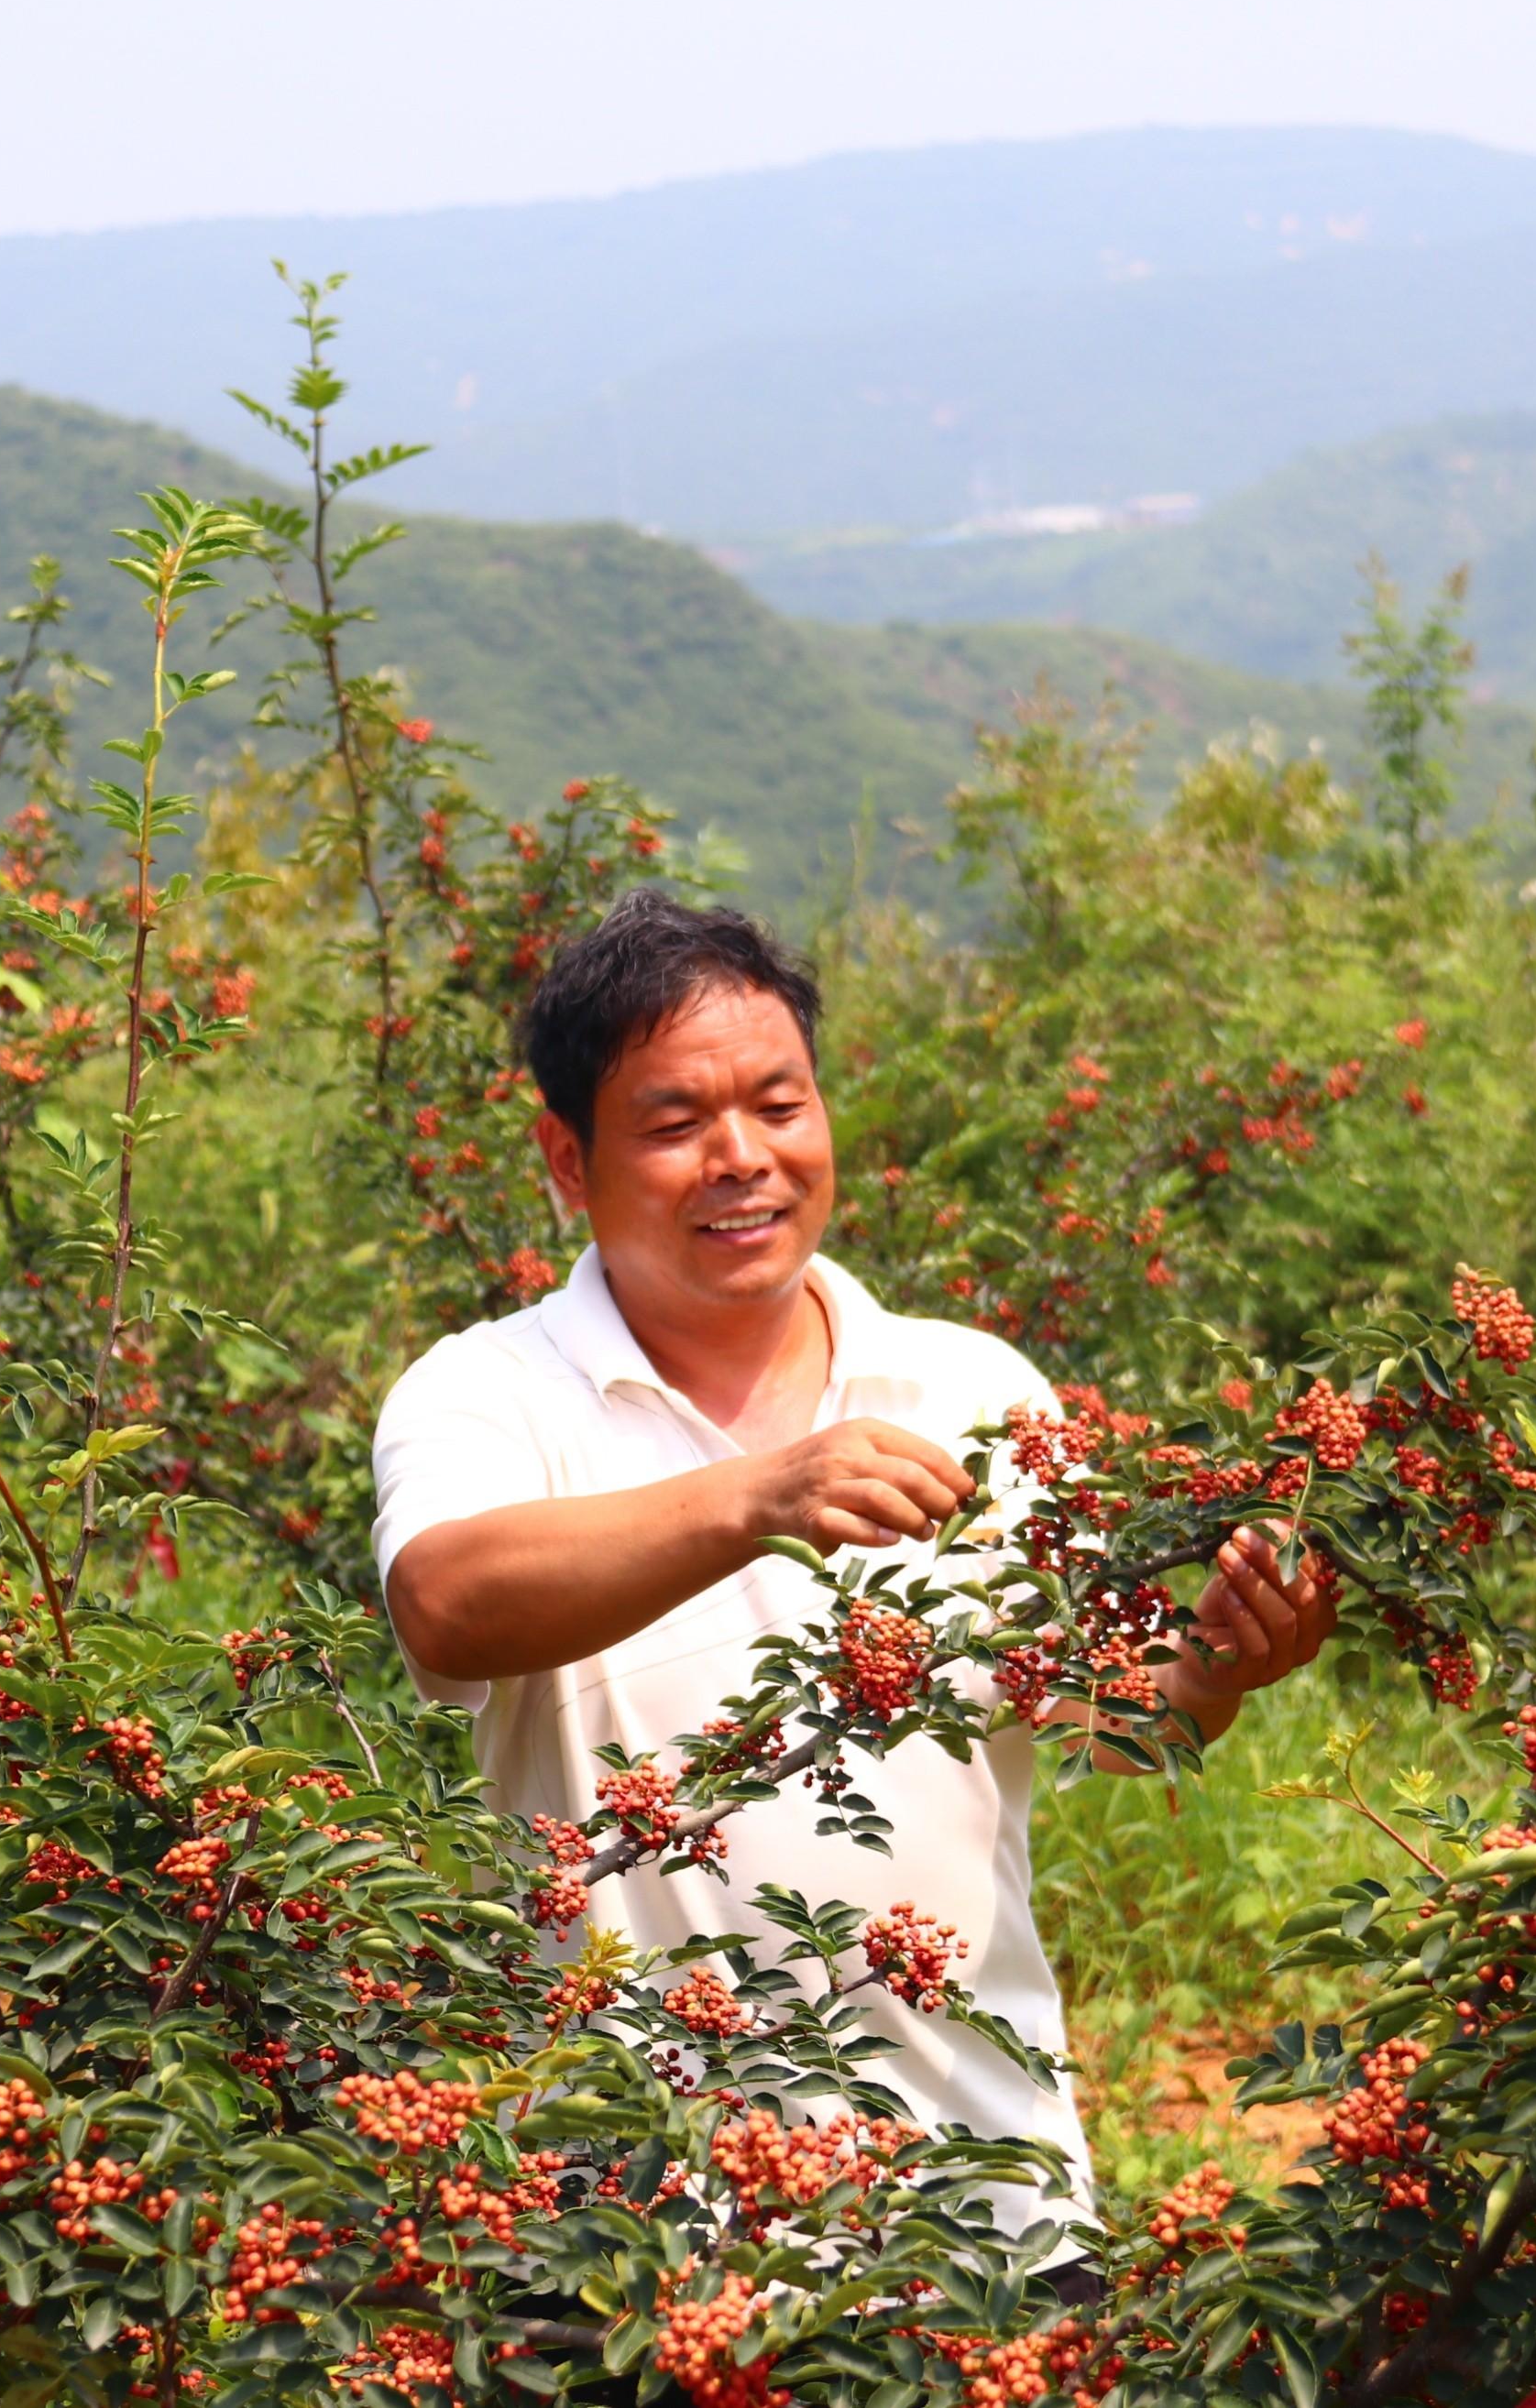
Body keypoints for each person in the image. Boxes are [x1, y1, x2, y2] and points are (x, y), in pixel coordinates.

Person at [370, 889, 1336, 2230]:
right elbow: (446, 1602)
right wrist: (752, 1497)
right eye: (671, 1123)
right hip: (622, 2229)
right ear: (563, 1157)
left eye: (779, 1106)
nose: (741, 1157)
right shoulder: (487, 1395)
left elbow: (1120, 1725)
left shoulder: (971, 1386)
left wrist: (1222, 1663)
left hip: (972, 2202)